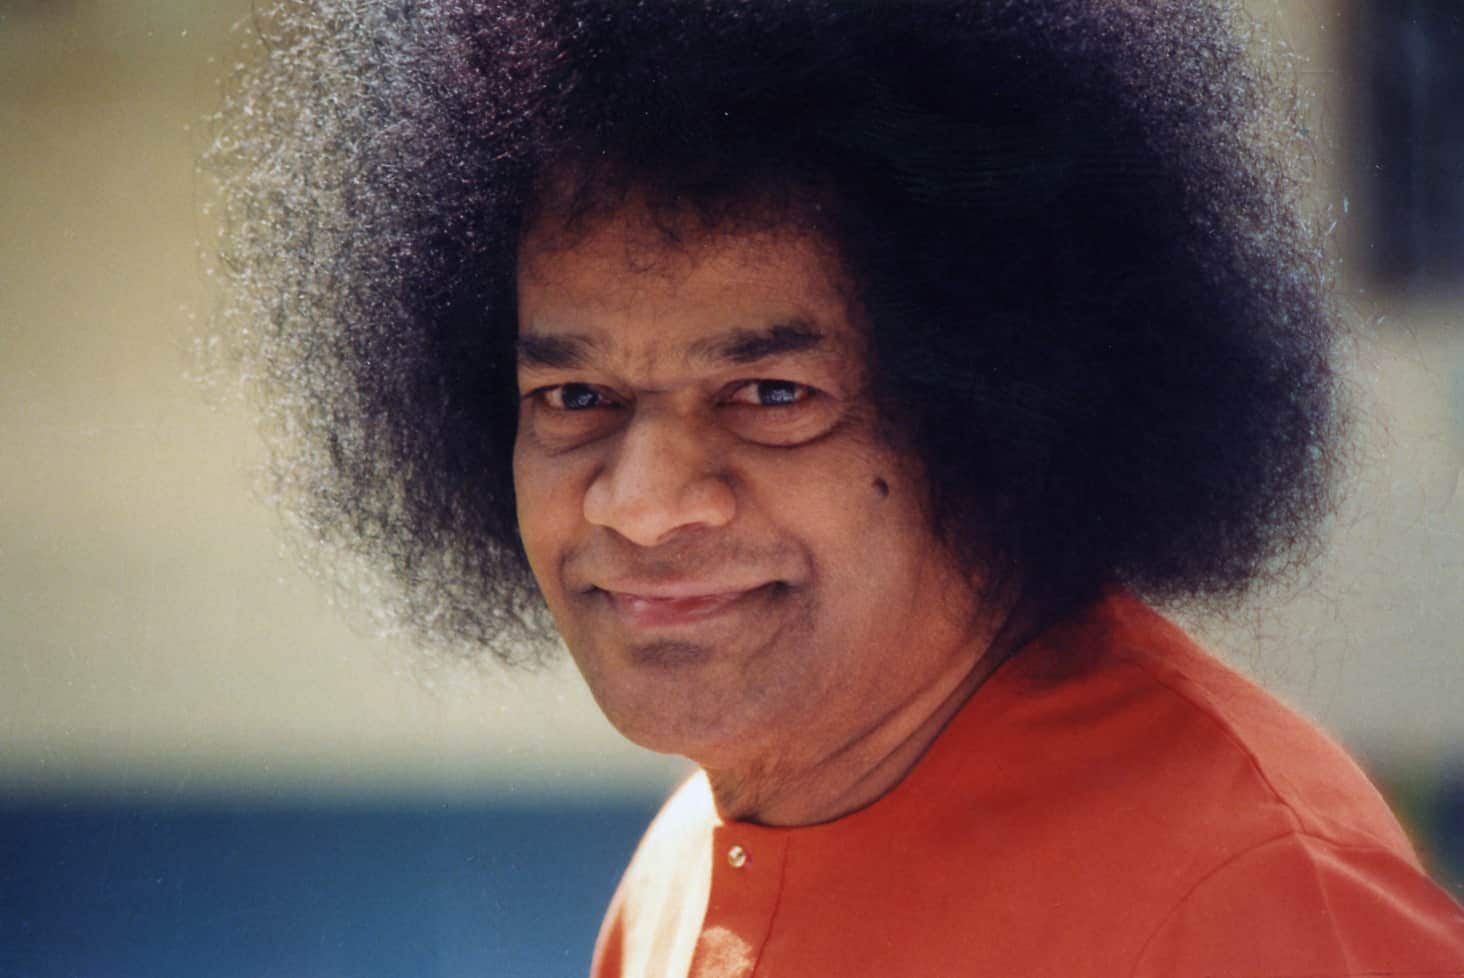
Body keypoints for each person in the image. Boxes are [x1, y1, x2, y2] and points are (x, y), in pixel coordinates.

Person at [210, 0, 1464, 974]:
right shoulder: (682, 868)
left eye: (770, 394)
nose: (638, 502)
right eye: (575, 396)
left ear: (995, 412)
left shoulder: (1252, 899)